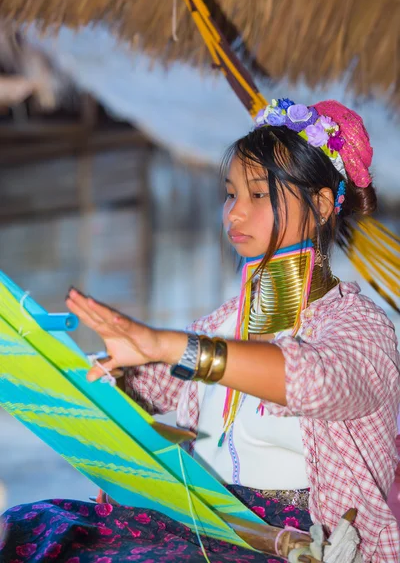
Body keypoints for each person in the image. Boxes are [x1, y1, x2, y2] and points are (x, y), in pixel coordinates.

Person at [1, 99, 399, 563]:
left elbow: (317, 380)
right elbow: (154, 379)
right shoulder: (223, 323)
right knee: (32, 527)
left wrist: (165, 343)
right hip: (205, 521)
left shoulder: (361, 329)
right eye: (231, 194)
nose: (233, 213)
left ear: (322, 204)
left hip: (300, 543)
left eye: (258, 195)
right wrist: (110, 374)